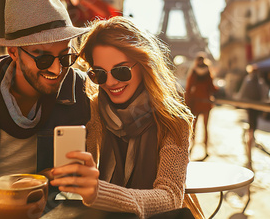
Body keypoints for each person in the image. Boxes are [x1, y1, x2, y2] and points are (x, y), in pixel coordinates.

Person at [0, 0, 91, 211]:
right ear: (13, 52)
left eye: (65, 56)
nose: (56, 69)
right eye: (43, 58)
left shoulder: (79, 90)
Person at [49, 17, 199, 219]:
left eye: (121, 71)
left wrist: (99, 193)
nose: (110, 82)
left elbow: (170, 197)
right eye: (99, 74)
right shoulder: (90, 112)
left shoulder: (174, 120)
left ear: (144, 64)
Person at [184, 53, 217, 160]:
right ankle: (206, 149)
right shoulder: (208, 72)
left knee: (194, 127)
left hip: (196, 103)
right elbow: (212, 88)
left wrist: (187, 104)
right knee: (206, 128)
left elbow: (188, 89)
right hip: (206, 103)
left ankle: (192, 146)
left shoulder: (193, 72)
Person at [236, 65, 269, 170]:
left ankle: (251, 135)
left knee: (254, 125)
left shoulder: (258, 81)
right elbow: (244, 92)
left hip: (255, 106)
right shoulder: (251, 81)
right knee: (252, 124)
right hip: (251, 107)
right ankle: (250, 136)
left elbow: (263, 93)